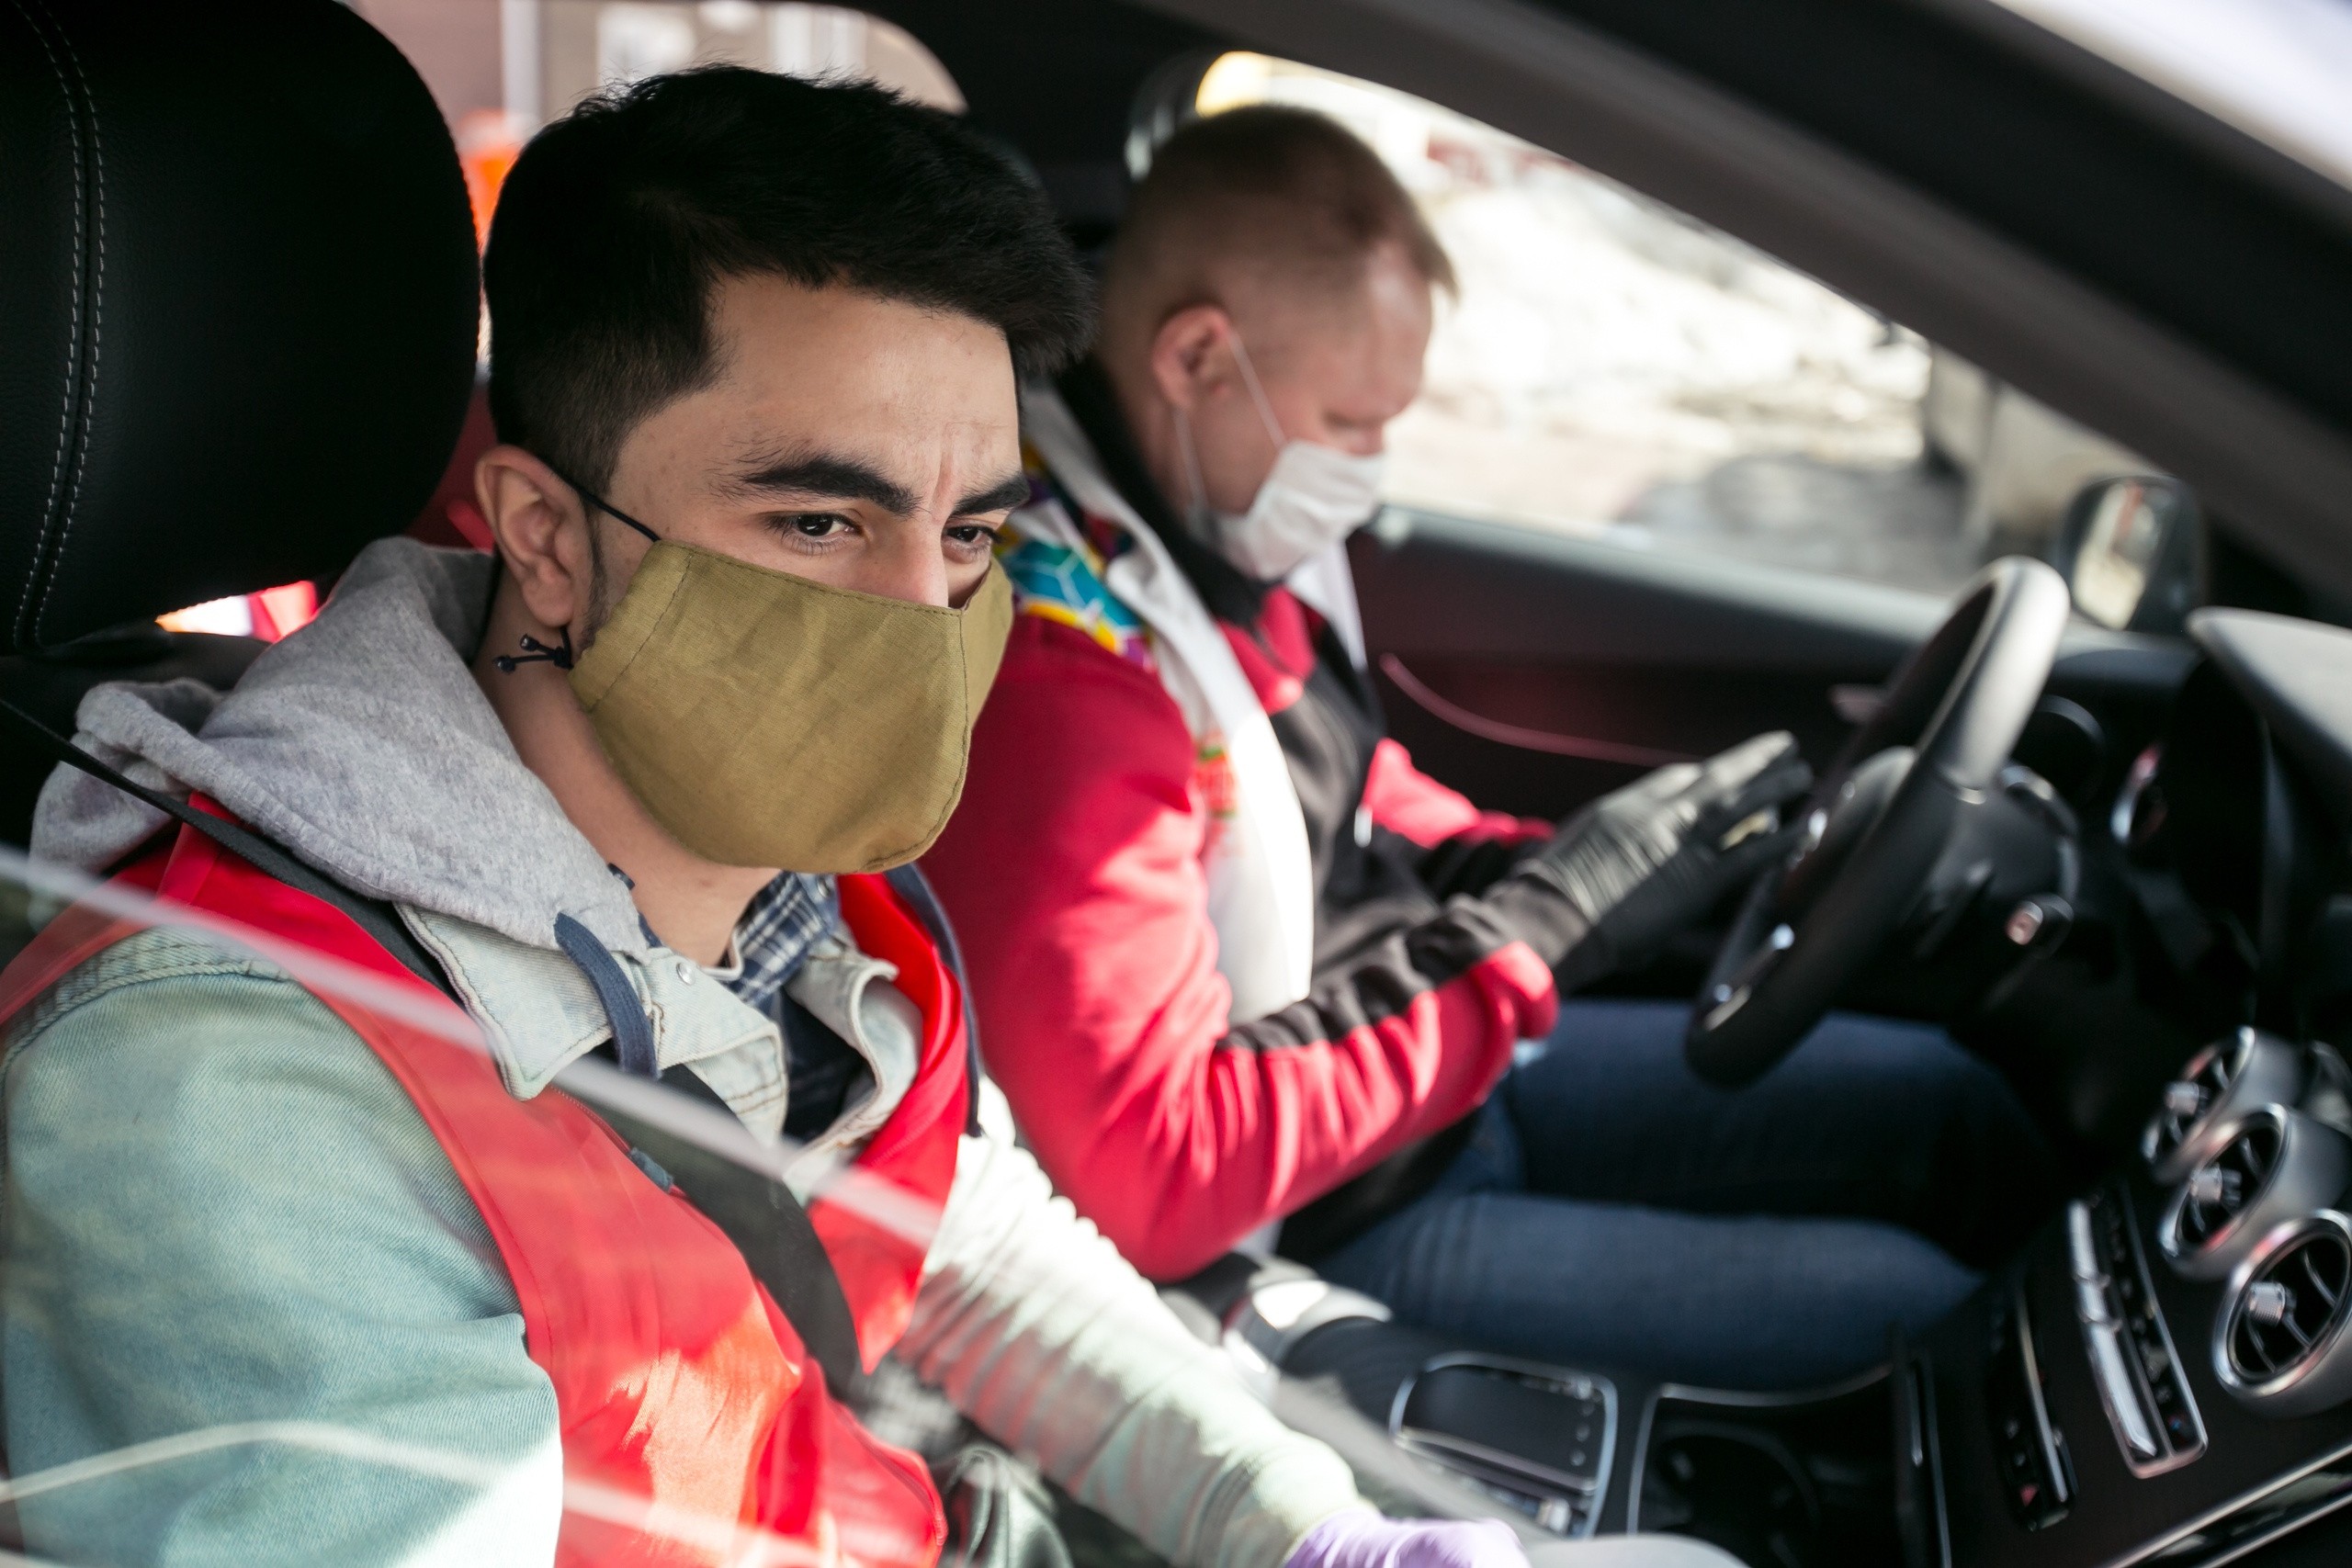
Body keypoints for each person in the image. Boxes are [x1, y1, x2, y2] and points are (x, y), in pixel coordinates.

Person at [0, 73, 1534, 1568]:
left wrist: (1297, 1518)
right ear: (546, 538)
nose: (923, 618)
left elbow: (944, 1220)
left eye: (970, 532)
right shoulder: (239, 1086)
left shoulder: (780, 860)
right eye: (818, 521)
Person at [922, 105, 2060, 1389]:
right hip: (1328, 1215)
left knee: (1947, 1107)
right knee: (1926, 1323)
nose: (1371, 468)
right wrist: (1540, 928)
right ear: (1196, 358)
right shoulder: (1065, 671)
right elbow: (1160, 1167)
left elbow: (1324, 791)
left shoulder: (1182, 519)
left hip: (1428, 1081)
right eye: (1350, 422)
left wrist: (1578, 872)